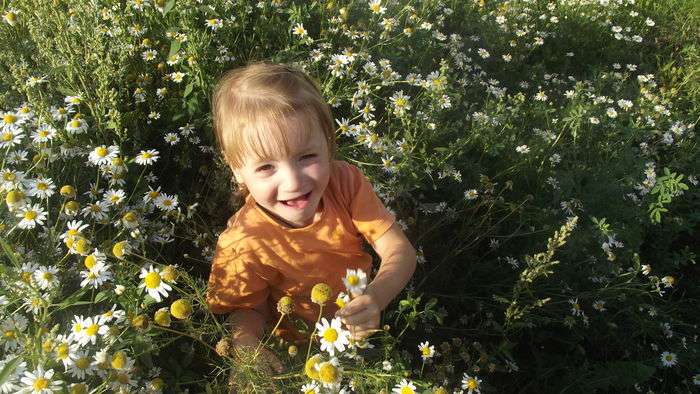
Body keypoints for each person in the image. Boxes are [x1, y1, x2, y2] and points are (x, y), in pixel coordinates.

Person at [206, 62, 417, 374]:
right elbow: (244, 308)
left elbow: (400, 251)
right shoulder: (242, 241)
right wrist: (247, 347)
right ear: (236, 168)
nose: (293, 182)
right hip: (294, 352)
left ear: (328, 142)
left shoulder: (345, 184)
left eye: (307, 157)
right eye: (266, 167)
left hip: (361, 327)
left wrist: (376, 296)